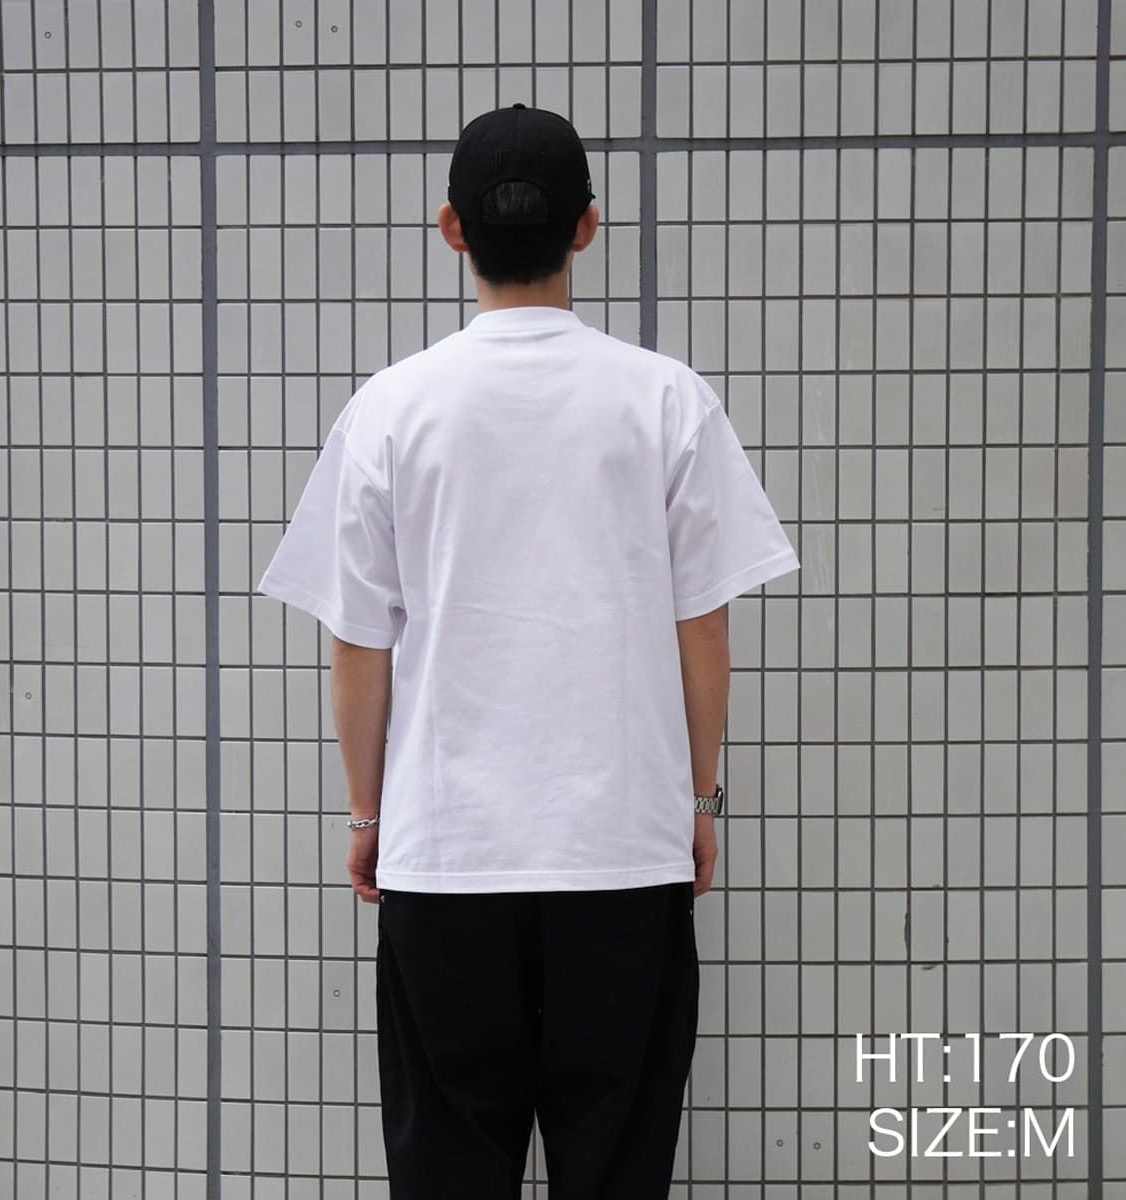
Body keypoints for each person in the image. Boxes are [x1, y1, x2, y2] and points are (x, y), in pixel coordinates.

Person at [256, 103, 800, 1199]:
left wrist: (367, 815)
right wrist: (699, 799)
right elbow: (704, 628)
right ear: (587, 227)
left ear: (452, 229)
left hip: (446, 858)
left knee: (449, 1166)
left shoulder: (390, 410)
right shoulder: (665, 401)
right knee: (617, 1162)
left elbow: (358, 644)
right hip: (623, 855)